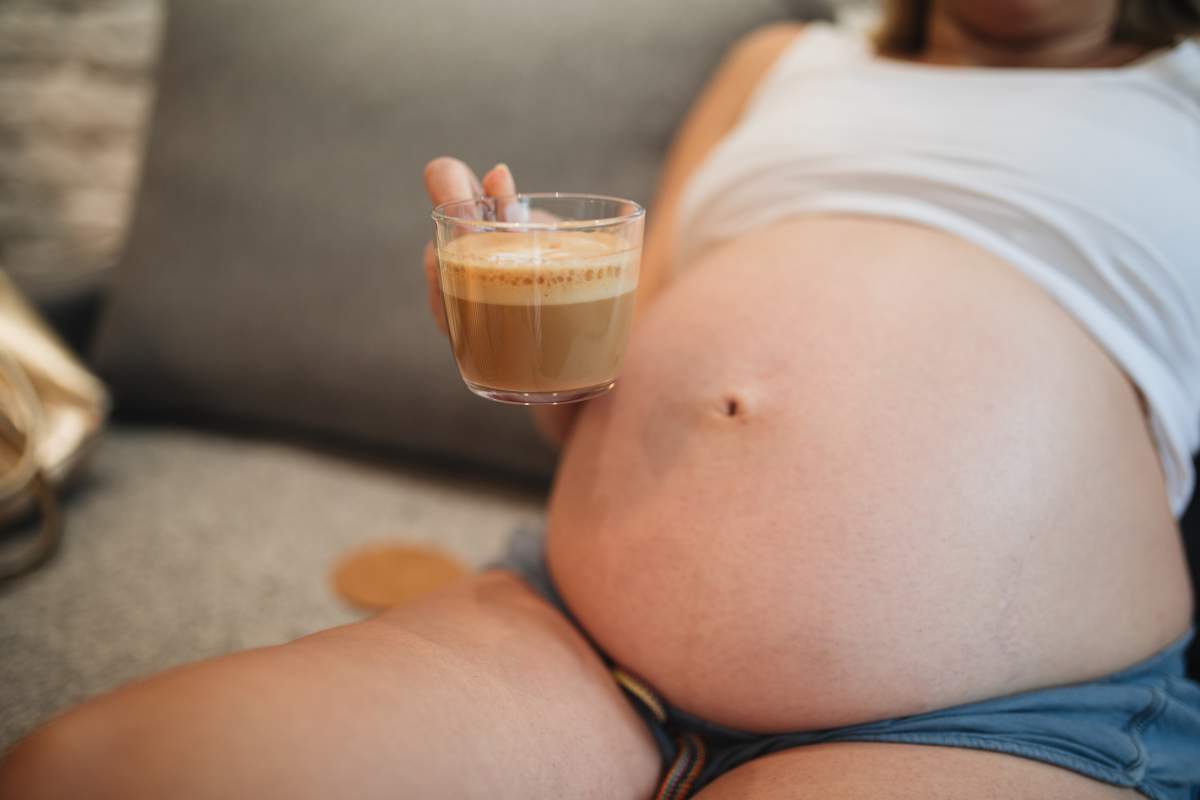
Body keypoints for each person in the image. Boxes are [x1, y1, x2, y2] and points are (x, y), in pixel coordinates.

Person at [3, 0, 1199, 797]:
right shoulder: (784, 64)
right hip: (574, 642)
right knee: (87, 769)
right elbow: (593, 386)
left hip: (989, 711)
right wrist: (524, 312)